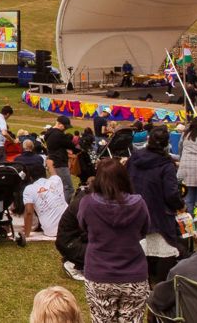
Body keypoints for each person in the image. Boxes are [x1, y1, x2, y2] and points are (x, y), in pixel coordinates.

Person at [77, 158, 151, 323]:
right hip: (134, 274)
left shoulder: (87, 203)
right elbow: (144, 230)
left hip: (99, 274)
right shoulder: (139, 204)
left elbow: (82, 226)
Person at [127, 126, 185, 283]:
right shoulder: (166, 165)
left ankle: (144, 280)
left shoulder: (135, 158)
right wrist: (180, 204)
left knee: (142, 247)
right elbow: (171, 193)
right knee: (164, 250)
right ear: (167, 144)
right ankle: (159, 284)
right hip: (158, 213)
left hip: (135, 209)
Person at [22, 158, 67, 239]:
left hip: (51, 231)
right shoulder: (56, 180)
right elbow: (53, 172)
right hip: (69, 226)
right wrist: (50, 164)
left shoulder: (29, 189)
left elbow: (29, 212)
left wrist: (26, 234)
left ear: (30, 177)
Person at [45, 115, 78, 201]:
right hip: (60, 163)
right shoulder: (59, 134)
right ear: (59, 124)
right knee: (68, 188)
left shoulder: (49, 133)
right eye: (65, 127)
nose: (65, 129)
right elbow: (71, 145)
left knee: (57, 187)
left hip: (52, 162)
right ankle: (63, 208)